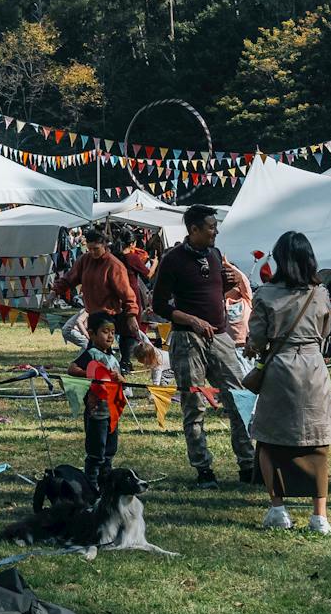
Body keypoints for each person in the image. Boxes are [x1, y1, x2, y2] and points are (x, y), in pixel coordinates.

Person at [152, 204, 257, 488]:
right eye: (211, 226)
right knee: (194, 404)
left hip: (220, 337)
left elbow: (211, 290)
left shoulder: (214, 255)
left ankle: (248, 465)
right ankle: (203, 470)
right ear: (194, 229)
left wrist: (230, 283)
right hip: (187, 338)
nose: (216, 231)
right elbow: (159, 305)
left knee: (239, 398)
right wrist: (192, 320)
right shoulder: (172, 259)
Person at [245, 231, 331, 535]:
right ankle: (319, 516)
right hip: (313, 367)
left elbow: (258, 338)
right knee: (318, 443)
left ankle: (278, 509)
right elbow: (325, 333)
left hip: (280, 368)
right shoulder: (321, 294)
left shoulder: (266, 294)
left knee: (270, 441)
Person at [68, 313, 158, 498]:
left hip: (112, 412)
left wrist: (120, 378)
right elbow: (72, 368)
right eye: (105, 332)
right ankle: (91, 488)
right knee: (96, 454)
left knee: (110, 451)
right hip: (96, 413)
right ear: (92, 334)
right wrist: (90, 375)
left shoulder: (113, 358)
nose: (110, 336)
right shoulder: (91, 354)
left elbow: (121, 381)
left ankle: (106, 486)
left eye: (112, 332)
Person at [52, 226, 140, 351]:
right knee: (95, 350)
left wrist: (131, 315)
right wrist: (54, 292)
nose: (93, 252)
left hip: (108, 315)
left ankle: (113, 366)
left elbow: (126, 293)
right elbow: (69, 278)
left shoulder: (114, 265)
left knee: (98, 348)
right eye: (90, 249)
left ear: (104, 245)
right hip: (92, 313)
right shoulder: (85, 260)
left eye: (96, 249)